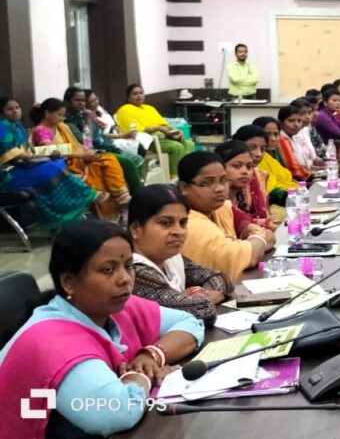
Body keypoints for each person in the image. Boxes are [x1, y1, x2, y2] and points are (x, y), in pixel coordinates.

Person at [0, 220, 203, 439]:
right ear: (69, 282)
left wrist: (151, 356)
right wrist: (141, 375)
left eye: (128, 266)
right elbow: (117, 412)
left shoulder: (111, 306)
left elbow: (191, 323)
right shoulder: (52, 340)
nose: (125, 279)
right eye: (108, 270)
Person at [129, 185, 234, 324]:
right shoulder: (133, 271)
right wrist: (202, 299)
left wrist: (196, 296)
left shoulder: (170, 258)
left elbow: (220, 278)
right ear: (136, 229)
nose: (178, 232)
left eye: (183, 223)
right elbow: (203, 310)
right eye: (166, 223)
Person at [0, 97, 97, 228]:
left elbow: (28, 150)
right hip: (7, 174)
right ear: (2, 112)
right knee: (52, 168)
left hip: (22, 166)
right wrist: (32, 155)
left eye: (17, 107)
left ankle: (65, 211)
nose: (15, 111)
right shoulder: (2, 127)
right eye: (10, 109)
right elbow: (13, 153)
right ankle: (78, 200)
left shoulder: (18, 127)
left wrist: (34, 154)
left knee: (57, 164)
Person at [178, 152, 274, 281]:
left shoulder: (222, 208)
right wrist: (256, 238)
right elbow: (250, 257)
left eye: (223, 180)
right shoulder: (186, 221)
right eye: (207, 183)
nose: (219, 189)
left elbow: (270, 236)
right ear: (184, 187)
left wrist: (254, 240)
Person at [30, 98, 132, 213]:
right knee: (99, 175)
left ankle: (121, 195)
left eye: (63, 115)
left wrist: (86, 150)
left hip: (77, 160)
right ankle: (115, 206)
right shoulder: (41, 131)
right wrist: (81, 155)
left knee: (108, 159)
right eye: (59, 115)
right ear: (47, 113)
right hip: (63, 167)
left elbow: (76, 144)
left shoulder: (62, 126)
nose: (62, 118)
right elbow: (51, 151)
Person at [64, 87, 144, 195]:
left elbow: (100, 135)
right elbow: (87, 144)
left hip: (104, 146)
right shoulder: (68, 122)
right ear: (68, 101)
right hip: (89, 154)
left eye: (83, 100)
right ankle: (137, 194)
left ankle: (136, 189)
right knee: (128, 162)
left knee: (137, 157)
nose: (81, 103)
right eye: (77, 100)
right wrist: (87, 121)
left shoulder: (85, 114)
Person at [115, 84, 195, 177]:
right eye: (135, 94)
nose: (139, 96)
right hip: (147, 141)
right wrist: (158, 128)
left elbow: (164, 124)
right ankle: (176, 177)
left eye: (141, 93)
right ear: (128, 97)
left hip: (163, 136)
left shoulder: (149, 108)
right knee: (177, 147)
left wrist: (176, 130)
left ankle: (188, 173)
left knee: (189, 144)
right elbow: (136, 131)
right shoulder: (125, 110)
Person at [216, 140, 276, 229]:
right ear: (220, 168)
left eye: (249, 166)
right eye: (237, 166)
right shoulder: (216, 202)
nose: (245, 172)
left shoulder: (241, 196)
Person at [234, 124, 297, 207]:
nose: (259, 154)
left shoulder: (260, 174)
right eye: (252, 148)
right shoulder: (230, 174)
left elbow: (273, 194)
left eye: (263, 149)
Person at [85, 89, 148, 157]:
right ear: (86, 104)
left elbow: (113, 124)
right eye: (92, 101)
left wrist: (122, 133)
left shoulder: (100, 109)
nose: (96, 102)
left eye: (96, 99)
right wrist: (121, 136)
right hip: (109, 140)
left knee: (142, 138)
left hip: (117, 134)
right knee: (138, 147)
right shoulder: (88, 117)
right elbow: (100, 136)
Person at [277, 105, 313, 180]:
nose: (296, 124)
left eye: (299, 121)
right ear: (280, 123)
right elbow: (294, 169)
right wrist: (311, 175)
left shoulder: (294, 137)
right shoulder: (281, 139)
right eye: (291, 121)